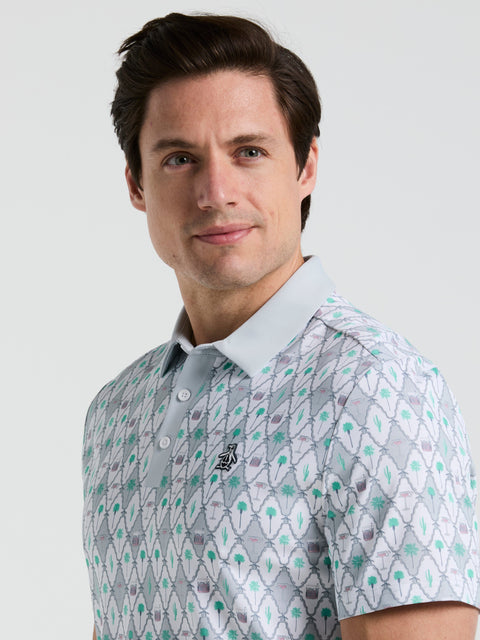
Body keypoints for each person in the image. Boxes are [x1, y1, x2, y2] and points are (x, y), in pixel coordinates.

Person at [82, 12, 480, 640]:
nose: (216, 191)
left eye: (249, 152)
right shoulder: (116, 411)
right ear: (136, 184)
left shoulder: (377, 389)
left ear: (305, 167)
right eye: (180, 158)